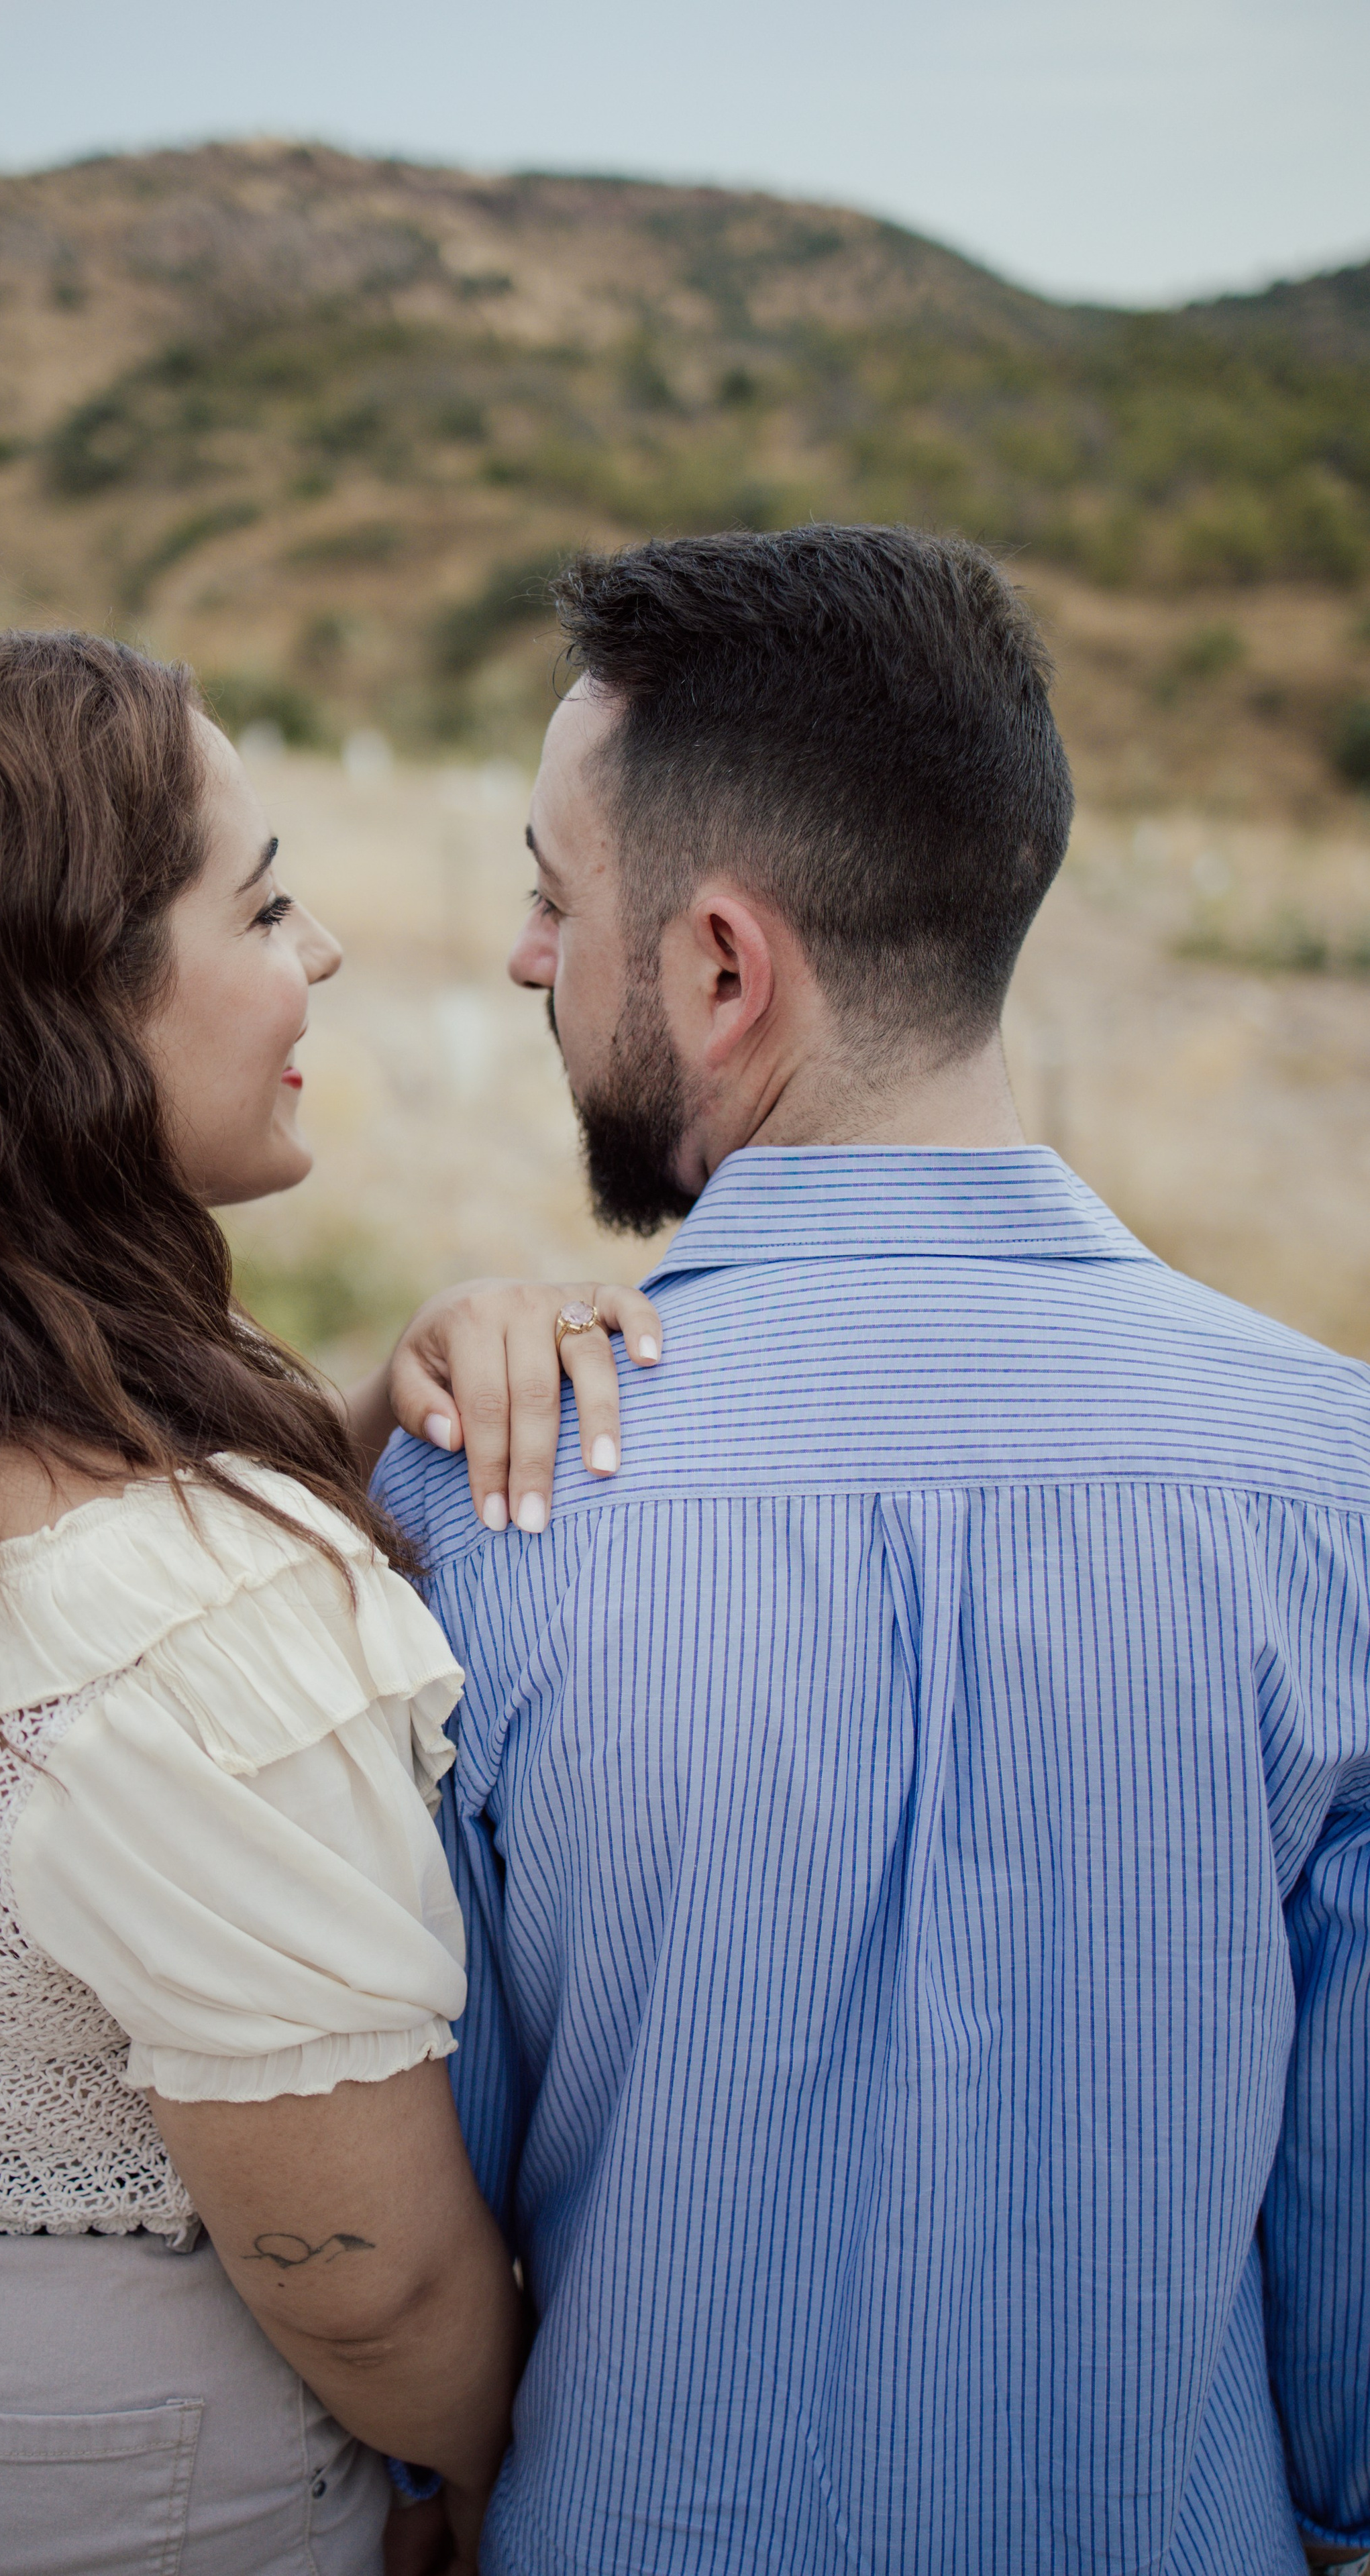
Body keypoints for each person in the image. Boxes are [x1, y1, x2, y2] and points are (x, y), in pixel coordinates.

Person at [374, 527, 1370, 2576]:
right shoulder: (1338, 1486)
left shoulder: (480, 1503)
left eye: (558, 904)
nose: (523, 961)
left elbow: (419, 2258)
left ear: (726, 971)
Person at [0, 630, 662, 2576]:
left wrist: (382, 1398)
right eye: (265, 900)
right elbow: (370, 2287)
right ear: (51, 999)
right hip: (63, 2480)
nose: (327, 953)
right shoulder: (194, 1627)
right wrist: (480, 2463)